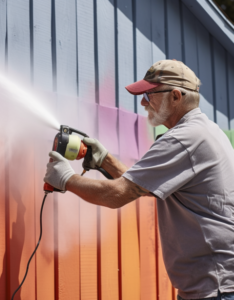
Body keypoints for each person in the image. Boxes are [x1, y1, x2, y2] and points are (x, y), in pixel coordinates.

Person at [44, 60, 234, 300]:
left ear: (175, 96)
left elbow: (117, 195)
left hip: (214, 290)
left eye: (149, 94)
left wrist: (65, 178)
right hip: (216, 286)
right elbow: (142, 187)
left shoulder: (184, 139)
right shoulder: (206, 130)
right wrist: (106, 161)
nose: (144, 102)